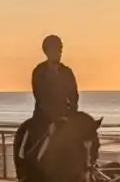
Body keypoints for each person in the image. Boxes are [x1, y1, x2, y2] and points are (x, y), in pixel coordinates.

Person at [17, 35, 80, 164]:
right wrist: (53, 117)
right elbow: (40, 97)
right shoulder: (39, 71)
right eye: (57, 49)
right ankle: (30, 167)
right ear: (47, 51)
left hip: (65, 115)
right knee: (35, 139)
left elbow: (74, 95)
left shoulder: (67, 72)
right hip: (44, 116)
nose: (60, 52)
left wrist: (71, 113)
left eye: (61, 49)